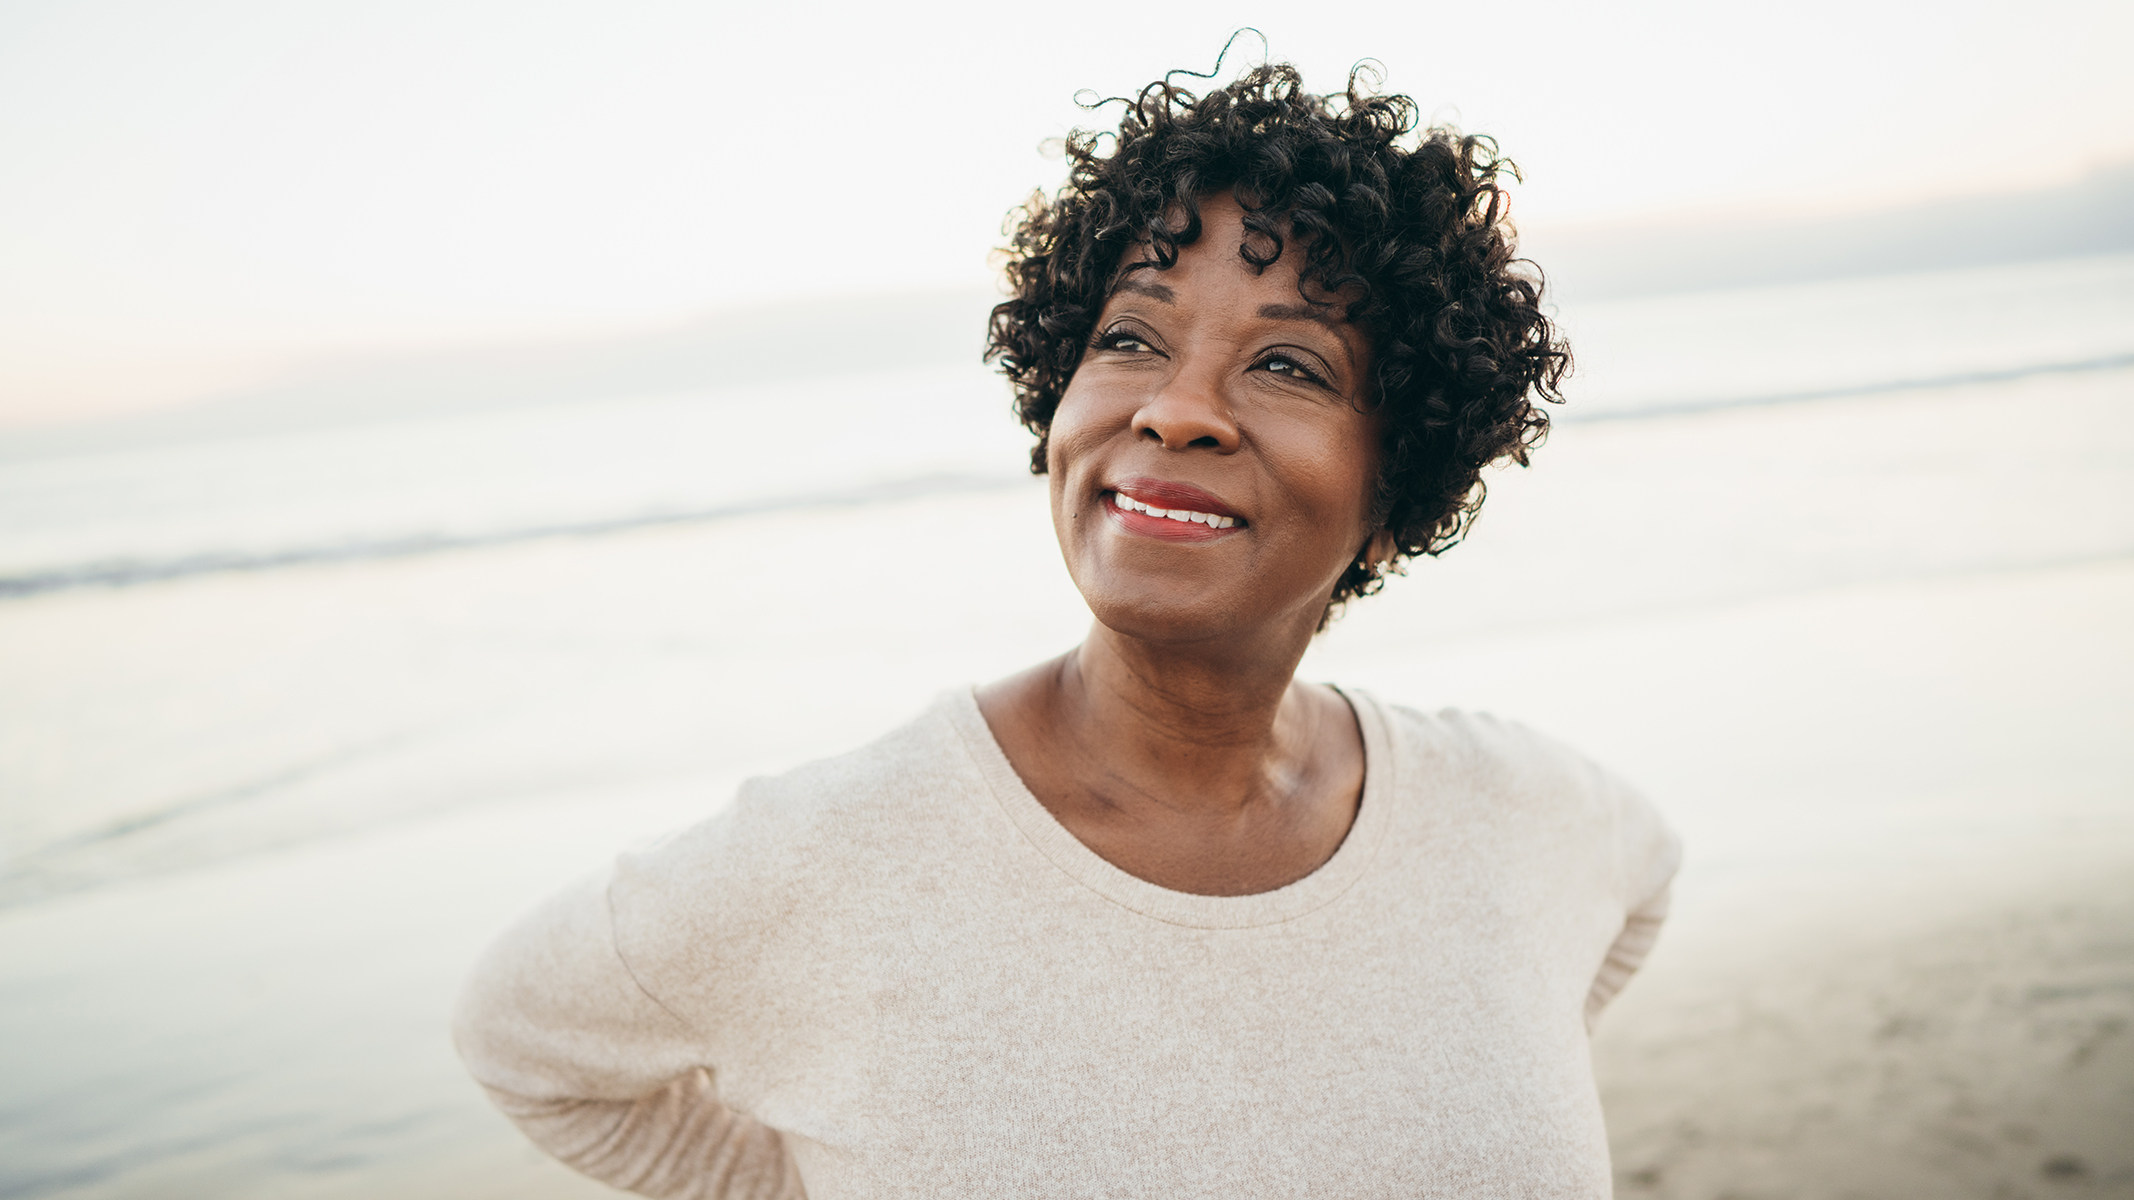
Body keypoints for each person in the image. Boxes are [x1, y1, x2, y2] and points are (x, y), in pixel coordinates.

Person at [453, 60, 1679, 1199]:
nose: (1178, 409)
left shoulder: (1526, 812)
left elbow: (1639, 886)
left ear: (1393, 501)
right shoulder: (835, 856)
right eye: (1131, 337)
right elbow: (523, 1041)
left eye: (1292, 366)